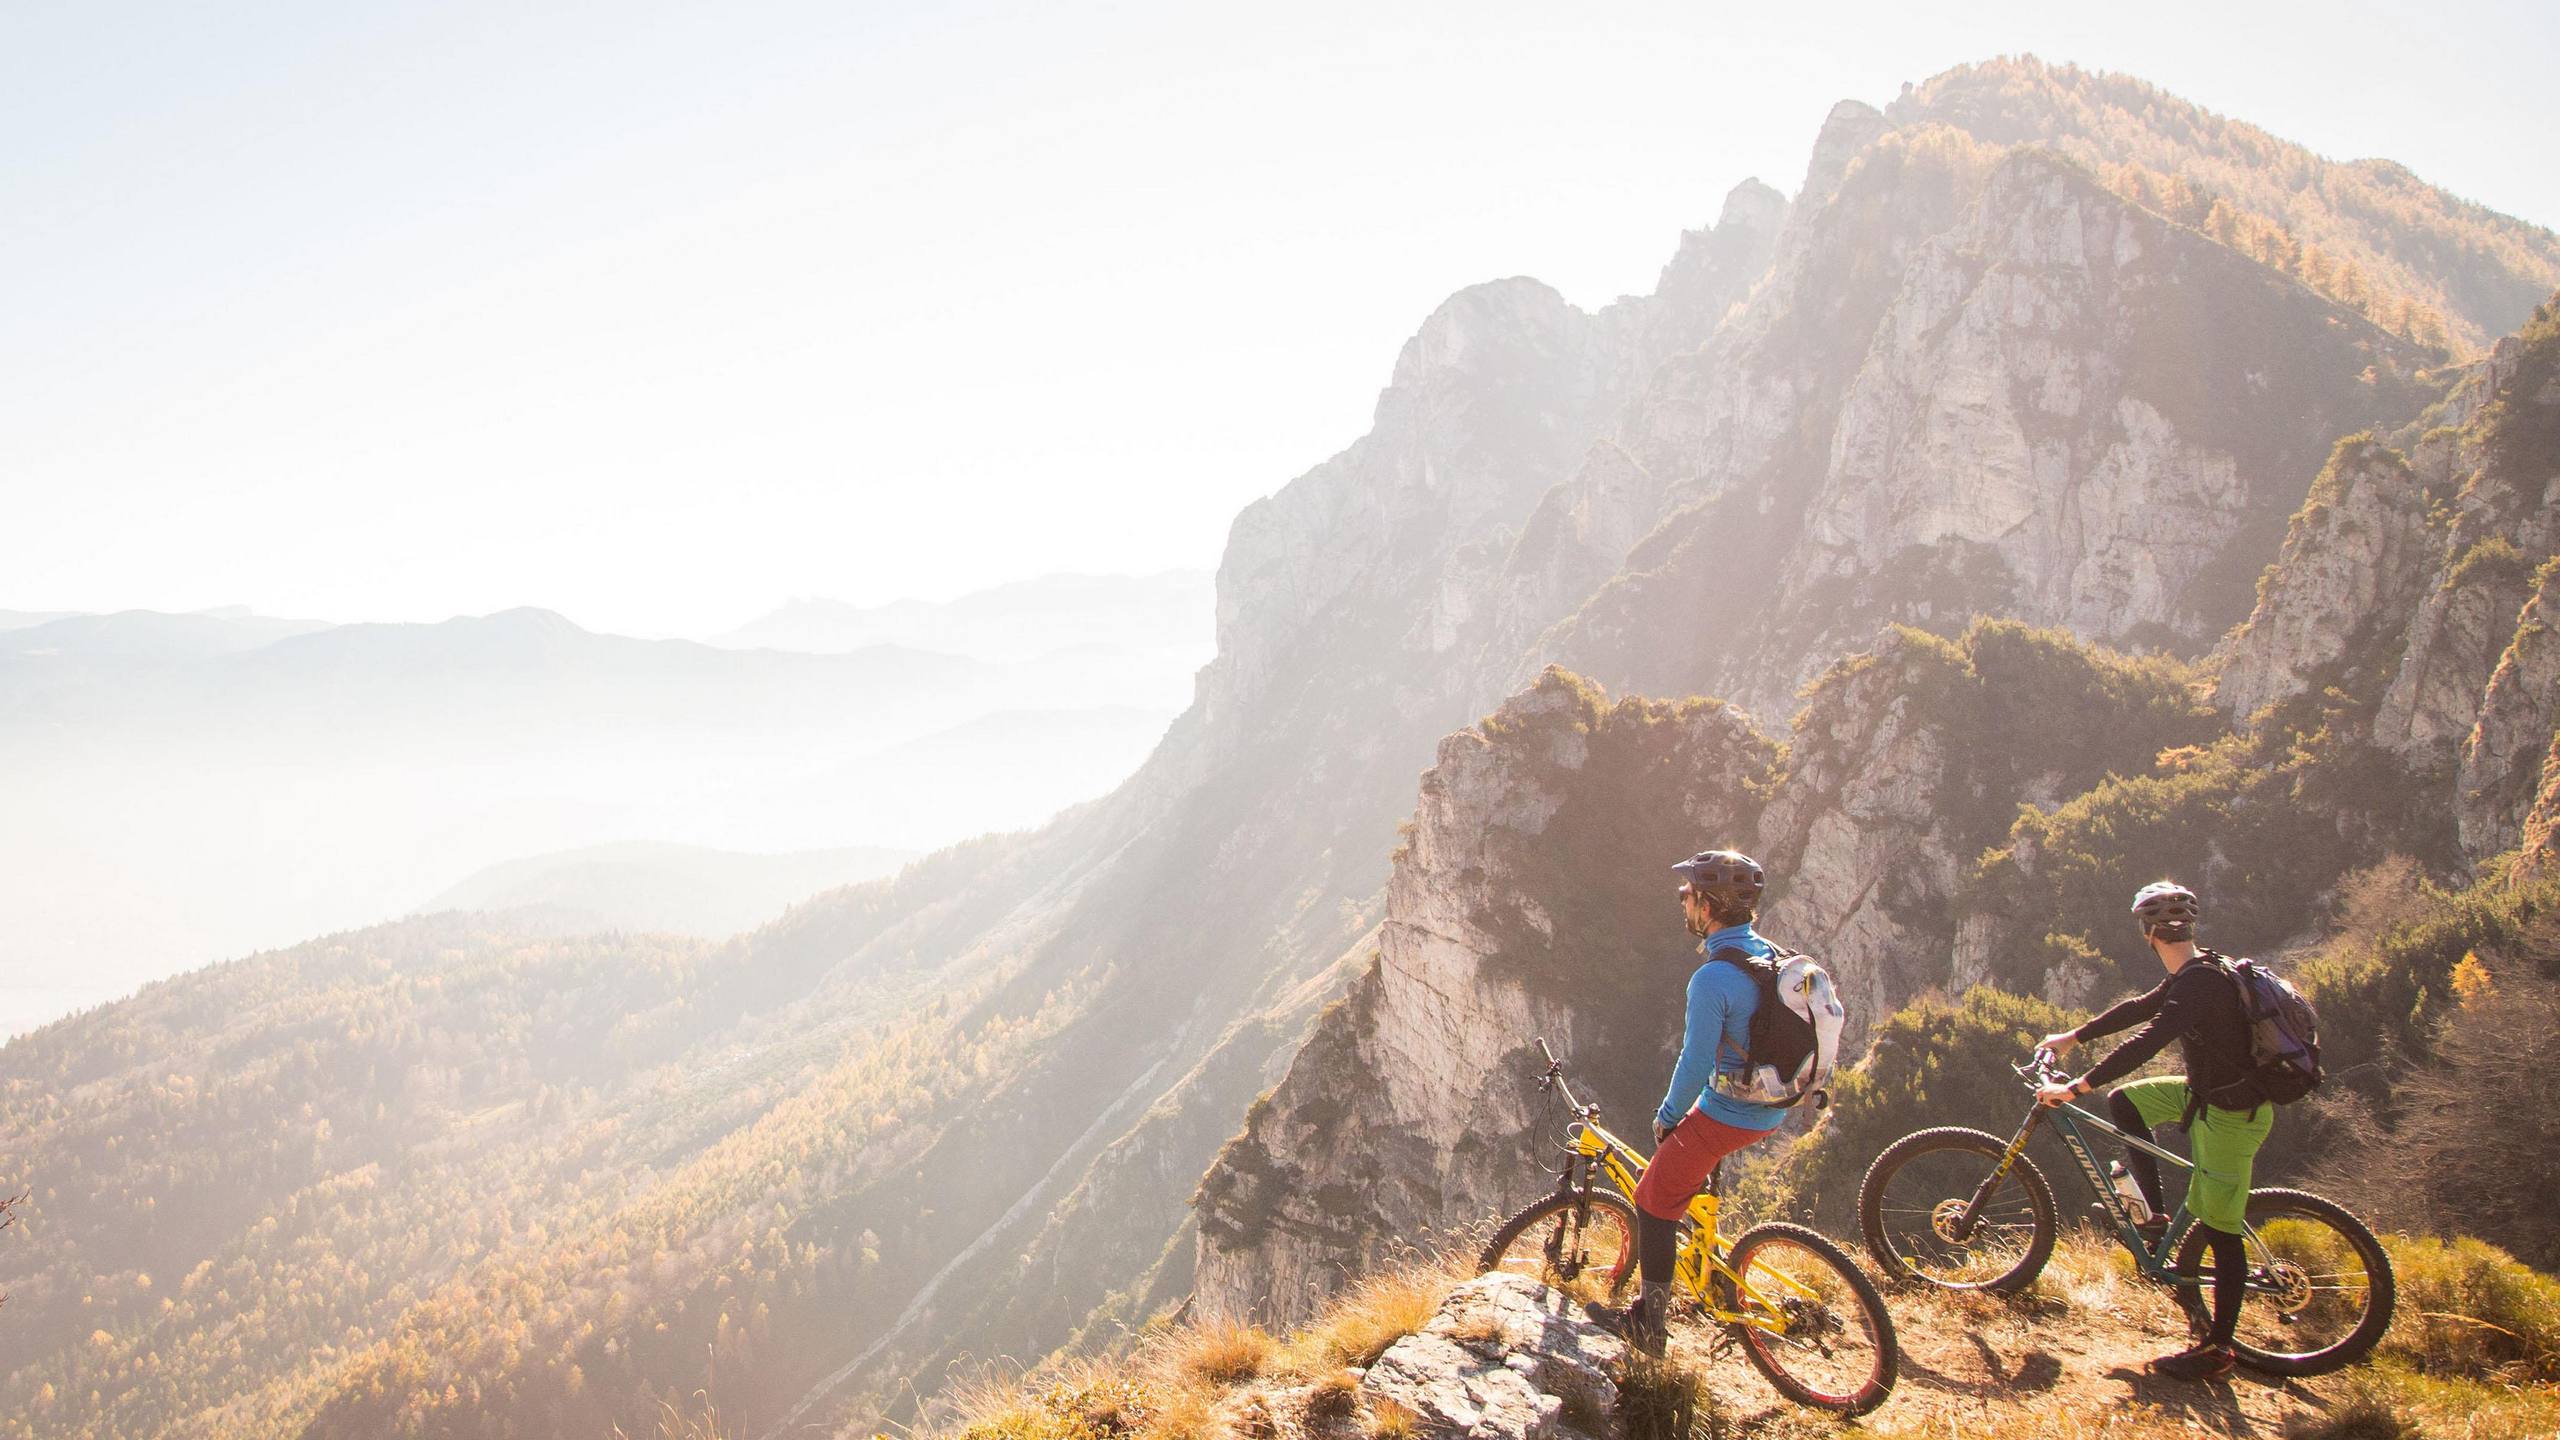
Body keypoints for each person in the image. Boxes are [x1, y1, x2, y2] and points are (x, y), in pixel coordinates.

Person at [2034, 881, 2273, 1382]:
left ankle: (2219, 1349)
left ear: (2148, 933)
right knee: (2127, 1100)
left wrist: (2077, 1087)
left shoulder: (2198, 982)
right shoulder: (2200, 968)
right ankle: (2156, 1217)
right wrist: (2073, 1036)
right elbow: (2139, 1009)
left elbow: (2149, 1039)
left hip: (2231, 1111)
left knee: (2220, 1231)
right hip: (2205, 1091)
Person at [1613, 848, 1792, 1354]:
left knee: (1652, 1198)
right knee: (1682, 1174)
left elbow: (1694, 1063)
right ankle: (1708, 1266)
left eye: (1688, 894)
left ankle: (1648, 1325)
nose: (1682, 901)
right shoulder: (1770, 954)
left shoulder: (1712, 978)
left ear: (1708, 906)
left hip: (1731, 1112)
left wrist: (1666, 1118)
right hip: (1772, 1106)